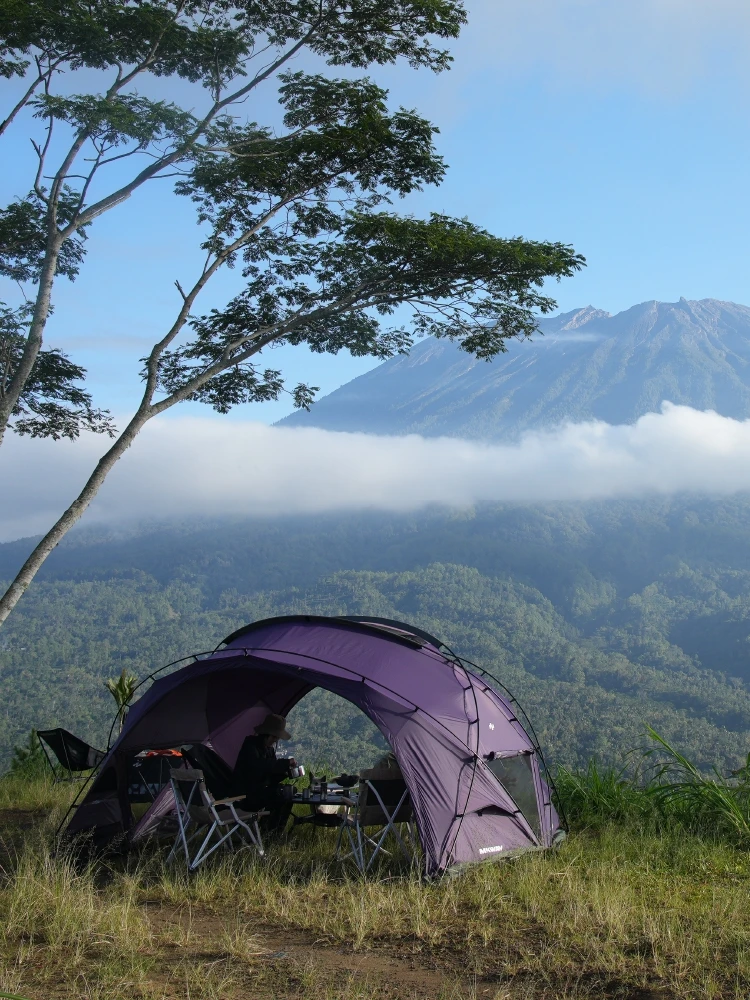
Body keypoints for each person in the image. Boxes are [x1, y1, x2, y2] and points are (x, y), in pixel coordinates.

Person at [233, 713, 297, 837]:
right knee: (277, 795)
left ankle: (278, 830)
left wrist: (286, 773)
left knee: (288, 792)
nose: (275, 741)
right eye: (274, 737)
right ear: (266, 734)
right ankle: (268, 832)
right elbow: (260, 766)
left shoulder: (269, 750)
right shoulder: (250, 746)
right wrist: (285, 763)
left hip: (258, 791)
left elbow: (271, 773)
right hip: (245, 795)